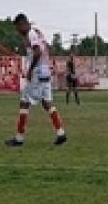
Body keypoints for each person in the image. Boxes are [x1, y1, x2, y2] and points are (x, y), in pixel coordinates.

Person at [5, 14, 67, 147]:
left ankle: (19, 138)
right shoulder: (38, 33)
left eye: (18, 28)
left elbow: (37, 52)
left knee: (24, 102)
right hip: (45, 71)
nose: (18, 32)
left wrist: (30, 70)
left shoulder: (31, 34)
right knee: (47, 103)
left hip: (38, 72)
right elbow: (46, 49)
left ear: (23, 24)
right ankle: (61, 133)